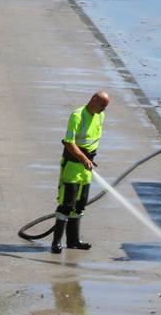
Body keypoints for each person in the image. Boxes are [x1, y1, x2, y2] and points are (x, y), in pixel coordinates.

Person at [51, 90, 110, 254]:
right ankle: (56, 242)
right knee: (66, 204)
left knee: (80, 204)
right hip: (73, 165)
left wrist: (88, 159)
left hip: (86, 167)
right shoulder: (77, 115)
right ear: (93, 100)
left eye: (106, 106)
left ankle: (73, 240)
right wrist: (84, 159)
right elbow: (69, 142)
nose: (104, 109)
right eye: (102, 105)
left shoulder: (100, 116)